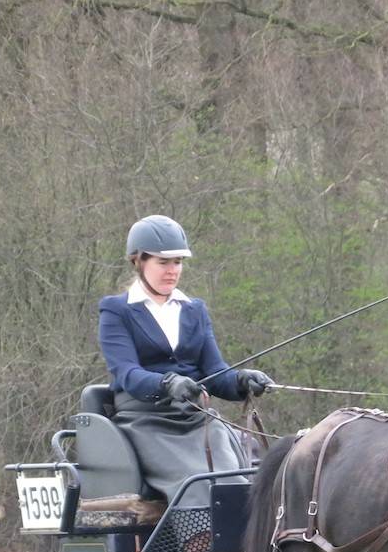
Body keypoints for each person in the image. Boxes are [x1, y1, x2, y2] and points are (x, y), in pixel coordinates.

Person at [98, 214, 272, 508]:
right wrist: (167, 383)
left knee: (234, 482)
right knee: (197, 483)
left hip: (197, 419)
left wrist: (241, 380)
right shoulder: (117, 311)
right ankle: (199, 537)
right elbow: (127, 372)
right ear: (139, 261)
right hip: (146, 421)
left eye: (177, 262)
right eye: (163, 262)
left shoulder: (194, 310)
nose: (172, 271)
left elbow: (215, 373)